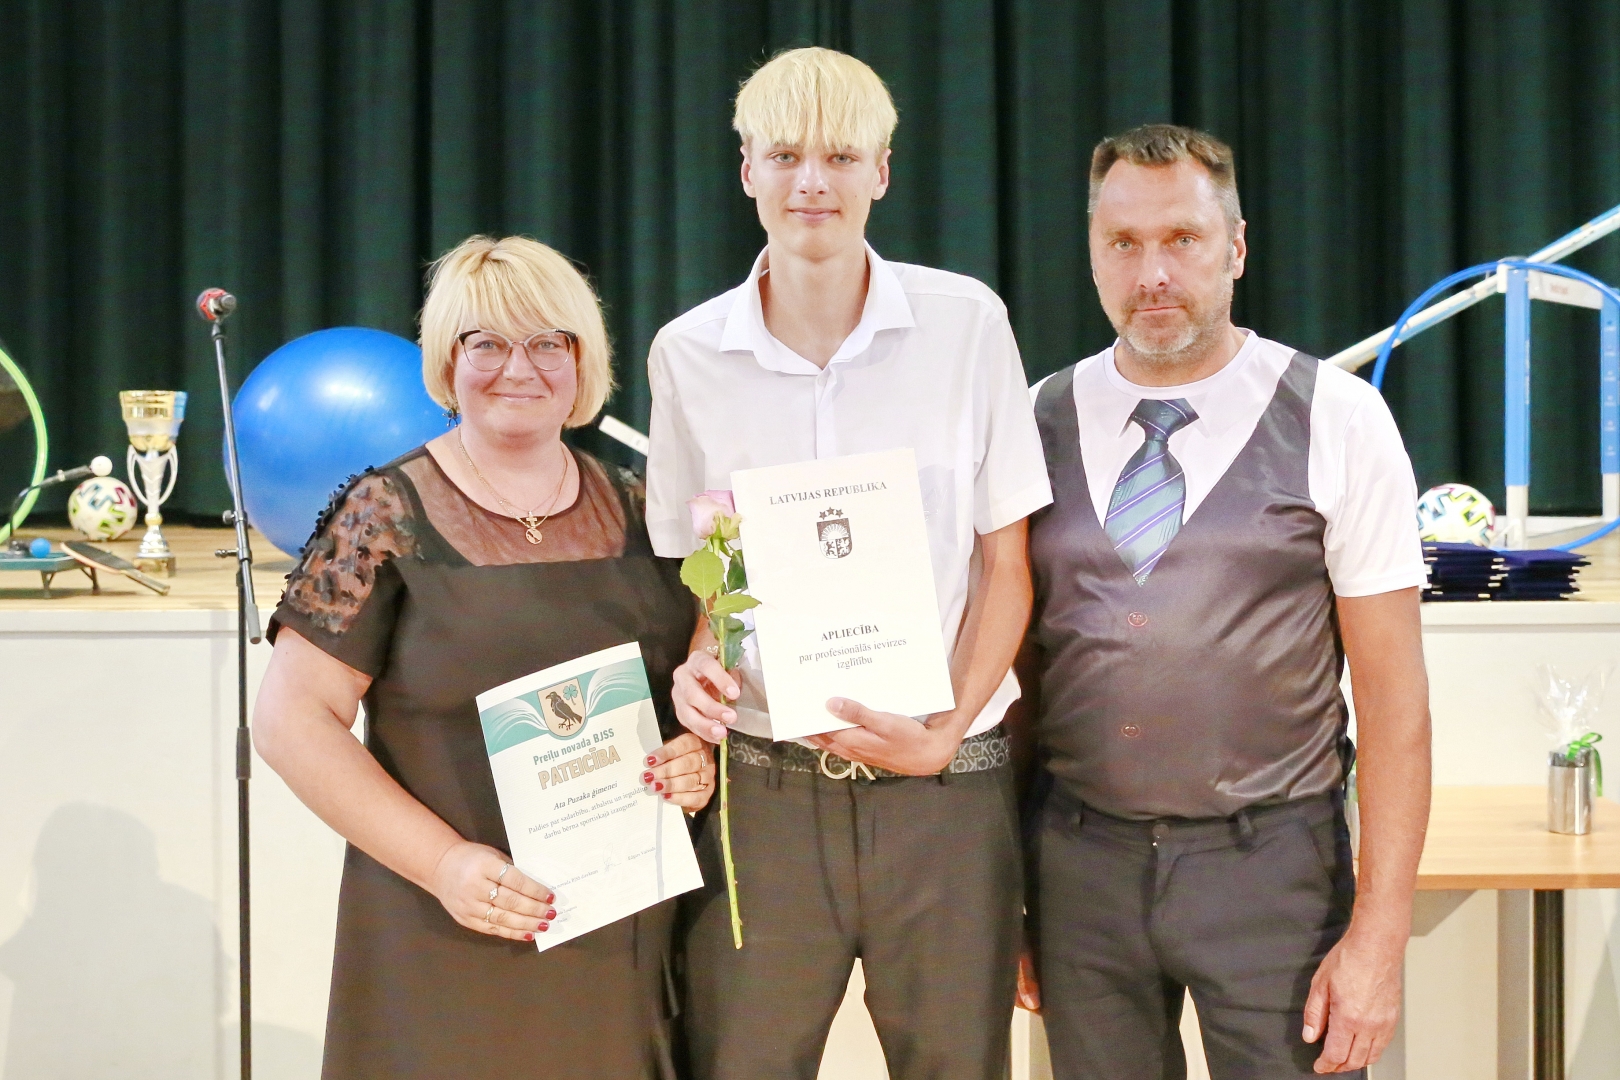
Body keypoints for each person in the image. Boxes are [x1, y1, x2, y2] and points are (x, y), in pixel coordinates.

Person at [647, 47, 1052, 1080]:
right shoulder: (686, 354)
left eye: (839, 156)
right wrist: (699, 665)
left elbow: (1006, 566)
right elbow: (711, 576)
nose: (811, 182)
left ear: (882, 170)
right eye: (785, 155)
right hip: (765, 793)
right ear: (747, 169)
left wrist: (945, 733)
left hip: (946, 790)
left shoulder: (967, 325)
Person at [1019, 124, 1431, 1079]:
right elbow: (1019, 678)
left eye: (1183, 239)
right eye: (1124, 243)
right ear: (1093, 253)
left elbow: (1395, 705)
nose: (1153, 273)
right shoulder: (1037, 418)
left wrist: (1380, 940)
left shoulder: (1337, 417)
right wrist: (1013, 896)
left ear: (1236, 248)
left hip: (1275, 874)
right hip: (1080, 869)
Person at [253, 235, 714, 1080]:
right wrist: (444, 864)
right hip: (442, 928)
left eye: (548, 343)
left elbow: (691, 680)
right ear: (446, 362)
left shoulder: (643, 508)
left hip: (617, 942)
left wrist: (694, 755)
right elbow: (291, 722)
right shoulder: (383, 514)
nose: (519, 368)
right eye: (487, 343)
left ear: (582, 361)